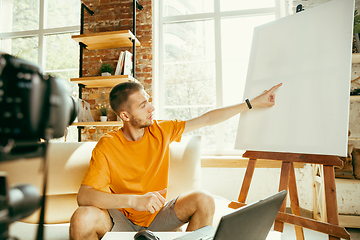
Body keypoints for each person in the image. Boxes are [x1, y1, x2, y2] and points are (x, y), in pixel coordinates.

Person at [69, 81, 282, 240]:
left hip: (156, 216)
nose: (151, 108)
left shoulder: (161, 130)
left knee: (204, 199)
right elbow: (85, 196)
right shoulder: (108, 145)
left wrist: (251, 103)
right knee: (82, 218)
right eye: (143, 105)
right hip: (120, 219)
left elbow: (206, 119)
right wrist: (135, 200)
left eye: (149, 101)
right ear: (125, 116)